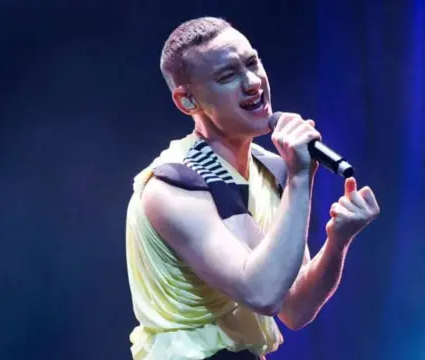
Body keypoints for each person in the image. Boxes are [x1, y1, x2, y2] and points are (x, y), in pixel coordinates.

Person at [125, 16, 380, 360]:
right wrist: (301, 178)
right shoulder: (173, 186)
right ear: (188, 101)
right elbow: (263, 294)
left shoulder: (270, 169)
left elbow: (295, 309)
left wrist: (337, 241)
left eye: (252, 63)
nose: (253, 82)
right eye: (227, 75)